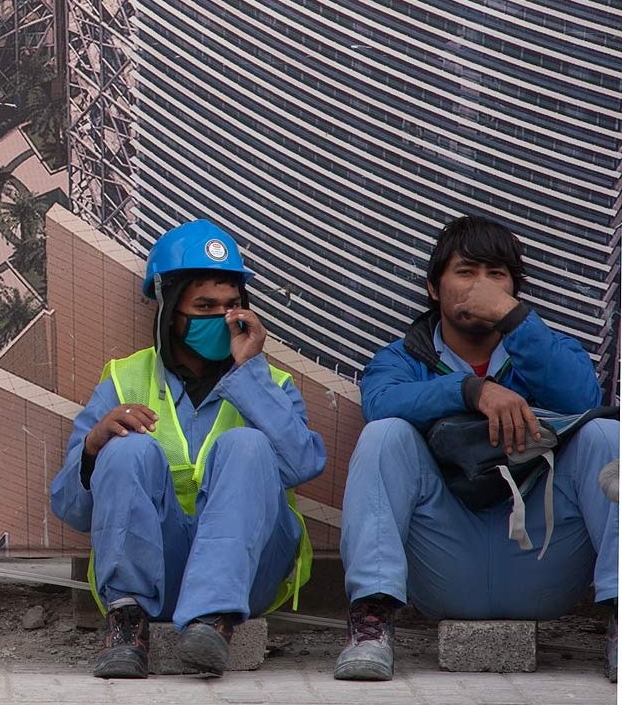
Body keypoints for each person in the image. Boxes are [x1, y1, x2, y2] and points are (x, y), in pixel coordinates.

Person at [335, 216, 617, 683]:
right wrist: (470, 391)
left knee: (606, 437)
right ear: (432, 287)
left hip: (540, 558)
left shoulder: (545, 348)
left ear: (515, 291)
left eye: (496, 275)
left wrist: (514, 321)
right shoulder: (402, 358)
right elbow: (381, 401)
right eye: (466, 272)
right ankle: (371, 625)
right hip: (445, 561)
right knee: (384, 435)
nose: (480, 287)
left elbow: (582, 398)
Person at [49, 219, 324, 678]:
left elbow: (303, 464)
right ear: (170, 308)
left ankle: (213, 621)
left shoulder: (271, 382)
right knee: (124, 448)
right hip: (160, 568)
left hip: (247, 575)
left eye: (232, 305)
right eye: (204, 306)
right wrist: (93, 448)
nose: (221, 318)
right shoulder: (123, 377)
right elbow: (71, 509)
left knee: (247, 444)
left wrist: (249, 373)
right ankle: (127, 624)